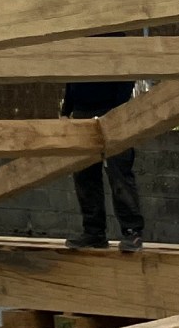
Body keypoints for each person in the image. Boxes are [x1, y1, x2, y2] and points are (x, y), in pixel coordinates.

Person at [62, 79, 144, 251]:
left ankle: (132, 232)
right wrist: (66, 110)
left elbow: (126, 73)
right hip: (81, 112)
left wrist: (117, 109)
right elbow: (71, 75)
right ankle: (93, 232)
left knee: (119, 175)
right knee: (84, 176)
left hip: (112, 112)